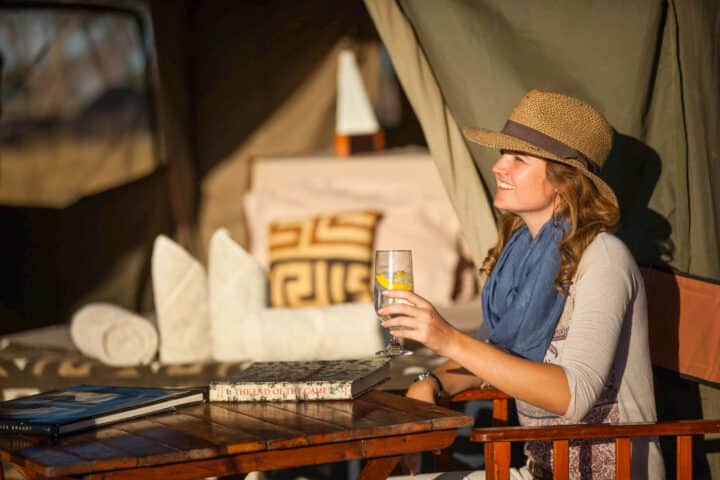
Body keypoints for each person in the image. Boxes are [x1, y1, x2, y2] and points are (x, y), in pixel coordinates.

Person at [381, 89, 664, 479]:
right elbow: (495, 356)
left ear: (564, 183)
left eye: (518, 158)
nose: (499, 167)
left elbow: (574, 396)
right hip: (544, 468)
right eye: (502, 154)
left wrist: (447, 338)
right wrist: (431, 382)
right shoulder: (517, 258)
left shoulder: (603, 259)